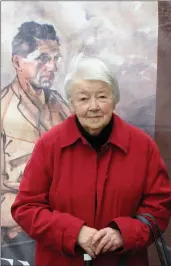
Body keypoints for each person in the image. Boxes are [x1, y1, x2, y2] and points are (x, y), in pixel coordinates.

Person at [11, 56, 171, 266]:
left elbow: (159, 207)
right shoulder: (49, 146)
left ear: (115, 99)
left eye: (102, 96)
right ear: (71, 103)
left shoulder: (143, 147)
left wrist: (123, 233)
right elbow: (26, 207)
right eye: (83, 98)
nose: (93, 106)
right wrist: (74, 233)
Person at [1, 21, 70, 264]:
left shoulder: (62, 107)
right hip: (16, 238)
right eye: (42, 58)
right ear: (18, 62)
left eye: (55, 59)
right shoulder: (2, 109)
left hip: (64, 230)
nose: (51, 67)